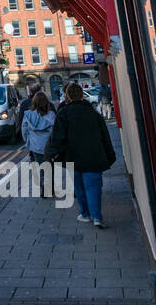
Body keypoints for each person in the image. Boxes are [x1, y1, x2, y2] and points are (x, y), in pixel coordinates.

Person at [47, 82, 116, 228]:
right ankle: (97, 217)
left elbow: (58, 137)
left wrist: (54, 154)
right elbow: (105, 136)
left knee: (79, 187)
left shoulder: (63, 114)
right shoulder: (94, 114)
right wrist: (110, 155)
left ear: (68, 96)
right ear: (81, 95)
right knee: (94, 187)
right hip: (94, 156)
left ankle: (85, 214)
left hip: (73, 158)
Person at [20, 91, 57, 198]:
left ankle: (44, 189)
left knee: (40, 168)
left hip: (35, 146)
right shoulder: (51, 115)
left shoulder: (28, 114)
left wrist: (28, 142)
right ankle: (50, 189)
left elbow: (24, 130)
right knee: (50, 167)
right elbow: (55, 131)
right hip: (48, 146)